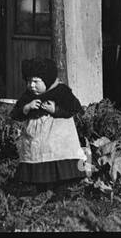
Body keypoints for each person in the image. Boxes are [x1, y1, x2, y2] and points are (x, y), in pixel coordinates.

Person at [10, 57, 85, 194]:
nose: (31, 85)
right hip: (36, 139)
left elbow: (75, 108)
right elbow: (15, 113)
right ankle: (38, 184)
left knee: (58, 157)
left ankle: (64, 184)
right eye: (28, 81)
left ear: (47, 80)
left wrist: (56, 110)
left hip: (58, 136)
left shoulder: (61, 91)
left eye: (36, 81)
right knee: (36, 157)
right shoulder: (28, 96)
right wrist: (27, 108)